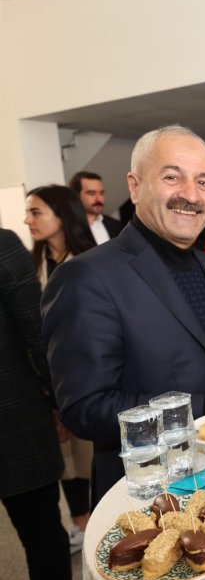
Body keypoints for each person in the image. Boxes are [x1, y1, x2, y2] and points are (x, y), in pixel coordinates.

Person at [43, 125, 205, 506]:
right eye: (172, 177)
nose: (190, 196)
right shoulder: (88, 277)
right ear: (134, 185)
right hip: (153, 496)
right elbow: (86, 409)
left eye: (204, 182)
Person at [0, 229, 85, 580]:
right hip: (12, 424)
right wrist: (60, 403)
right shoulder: (2, 246)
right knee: (42, 538)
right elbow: (38, 335)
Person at [24, 184, 97, 554]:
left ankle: (93, 522)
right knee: (66, 461)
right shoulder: (32, 265)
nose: (27, 220)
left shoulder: (88, 263)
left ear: (62, 215)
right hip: (48, 381)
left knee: (86, 453)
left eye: (36, 212)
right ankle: (79, 522)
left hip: (86, 378)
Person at [69, 170, 122, 244]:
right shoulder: (68, 229)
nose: (99, 199)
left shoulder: (116, 226)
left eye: (101, 193)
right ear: (77, 196)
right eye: (91, 193)